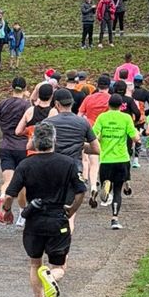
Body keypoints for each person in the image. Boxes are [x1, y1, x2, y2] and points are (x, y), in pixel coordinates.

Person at [0, 122, 87, 297]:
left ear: (34, 141)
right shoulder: (68, 163)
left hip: (34, 221)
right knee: (60, 266)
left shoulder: (25, 165)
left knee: (35, 263)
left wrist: (7, 211)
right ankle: (51, 276)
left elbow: (9, 195)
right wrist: (71, 210)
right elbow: (81, 191)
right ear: (54, 140)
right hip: (58, 220)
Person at [45, 88, 99, 230]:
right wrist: (80, 145)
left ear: (57, 104)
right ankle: (65, 241)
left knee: (50, 209)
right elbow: (96, 149)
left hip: (51, 169)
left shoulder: (47, 123)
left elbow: (34, 145)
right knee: (69, 213)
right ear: (72, 103)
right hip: (74, 169)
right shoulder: (83, 123)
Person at [93, 94, 140, 230]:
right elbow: (135, 138)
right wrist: (137, 134)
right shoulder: (126, 118)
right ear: (121, 106)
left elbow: (93, 135)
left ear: (108, 104)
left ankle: (106, 188)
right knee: (118, 191)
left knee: (107, 182)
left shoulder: (102, 117)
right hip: (122, 159)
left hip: (106, 159)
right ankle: (114, 218)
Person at [0, 76, 30, 200]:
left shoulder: (3, 103)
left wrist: (2, 124)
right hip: (22, 147)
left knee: (8, 180)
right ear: (25, 88)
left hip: (6, 146)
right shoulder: (27, 105)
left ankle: (2, 196)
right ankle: (22, 210)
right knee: (22, 183)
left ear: (12, 88)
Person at [78, 75, 111, 208]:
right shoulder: (111, 99)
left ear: (97, 85)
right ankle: (105, 187)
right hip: (106, 133)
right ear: (109, 86)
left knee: (93, 163)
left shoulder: (88, 98)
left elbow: (80, 115)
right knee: (105, 162)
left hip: (90, 132)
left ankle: (93, 187)